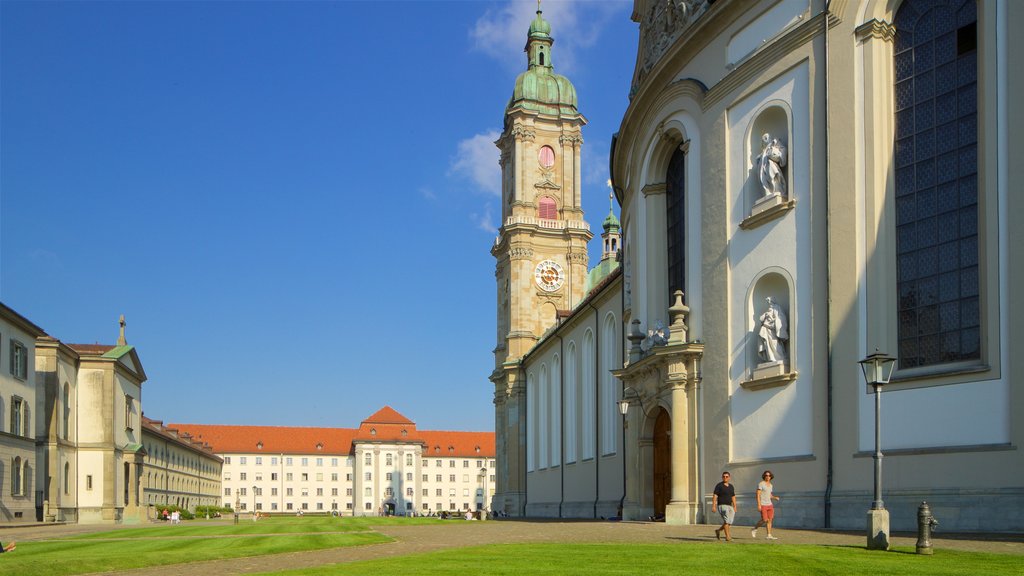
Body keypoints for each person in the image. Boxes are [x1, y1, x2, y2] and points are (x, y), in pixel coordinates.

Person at [757, 296, 788, 363]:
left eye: (769, 301)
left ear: (772, 301)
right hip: (766, 329)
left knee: (774, 343)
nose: (768, 303)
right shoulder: (767, 311)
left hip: (772, 330)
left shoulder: (777, 308)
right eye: (767, 302)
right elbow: (761, 319)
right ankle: (771, 357)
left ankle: (779, 357)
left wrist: (774, 323)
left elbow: (780, 318)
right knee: (767, 343)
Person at [752, 470, 781, 540]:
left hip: (770, 504)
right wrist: (759, 505)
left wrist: (774, 497)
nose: (767, 477)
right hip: (763, 504)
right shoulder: (761, 484)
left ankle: (769, 535)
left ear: (771, 477)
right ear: (764, 476)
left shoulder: (771, 485)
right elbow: (758, 495)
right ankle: (754, 528)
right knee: (764, 520)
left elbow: (769, 495)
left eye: (769, 475)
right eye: (766, 475)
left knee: (770, 520)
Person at [757, 132, 787, 198]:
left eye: (766, 138)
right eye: (763, 139)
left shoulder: (775, 143)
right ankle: (768, 191)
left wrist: (772, 152)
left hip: (771, 166)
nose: (764, 140)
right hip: (764, 169)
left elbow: (782, 152)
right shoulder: (763, 152)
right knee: (764, 179)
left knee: (773, 176)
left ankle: (777, 189)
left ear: (770, 138)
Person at [712, 471, 737, 541]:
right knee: (726, 521)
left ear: (729, 477)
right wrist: (714, 506)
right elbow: (715, 496)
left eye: (726, 476)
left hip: (730, 506)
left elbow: (733, 496)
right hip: (722, 505)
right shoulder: (719, 485)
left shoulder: (731, 486)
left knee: (729, 521)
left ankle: (718, 530)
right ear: (722, 477)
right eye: (723, 476)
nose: (725, 478)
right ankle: (728, 537)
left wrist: (735, 506)